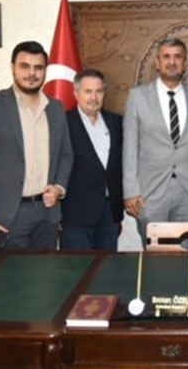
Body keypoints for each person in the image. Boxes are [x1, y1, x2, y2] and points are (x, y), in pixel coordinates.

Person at [0, 41, 74, 251]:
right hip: (7, 217)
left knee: (46, 272)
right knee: (8, 273)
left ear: (45, 71)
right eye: (25, 66)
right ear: (12, 68)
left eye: (38, 67)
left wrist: (59, 188)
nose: (32, 73)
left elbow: (66, 154)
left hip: (47, 214)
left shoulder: (55, 108)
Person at [123, 37, 188, 245]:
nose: (172, 62)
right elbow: (129, 147)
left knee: (183, 252)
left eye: (177, 57)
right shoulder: (137, 97)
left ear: (185, 63)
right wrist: (131, 191)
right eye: (166, 57)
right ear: (158, 62)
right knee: (154, 254)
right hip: (149, 193)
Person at [60, 69, 123, 251]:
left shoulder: (116, 122)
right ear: (76, 93)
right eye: (88, 91)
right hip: (76, 214)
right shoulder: (64, 123)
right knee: (77, 267)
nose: (94, 97)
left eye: (99, 91)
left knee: (107, 265)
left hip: (109, 213)